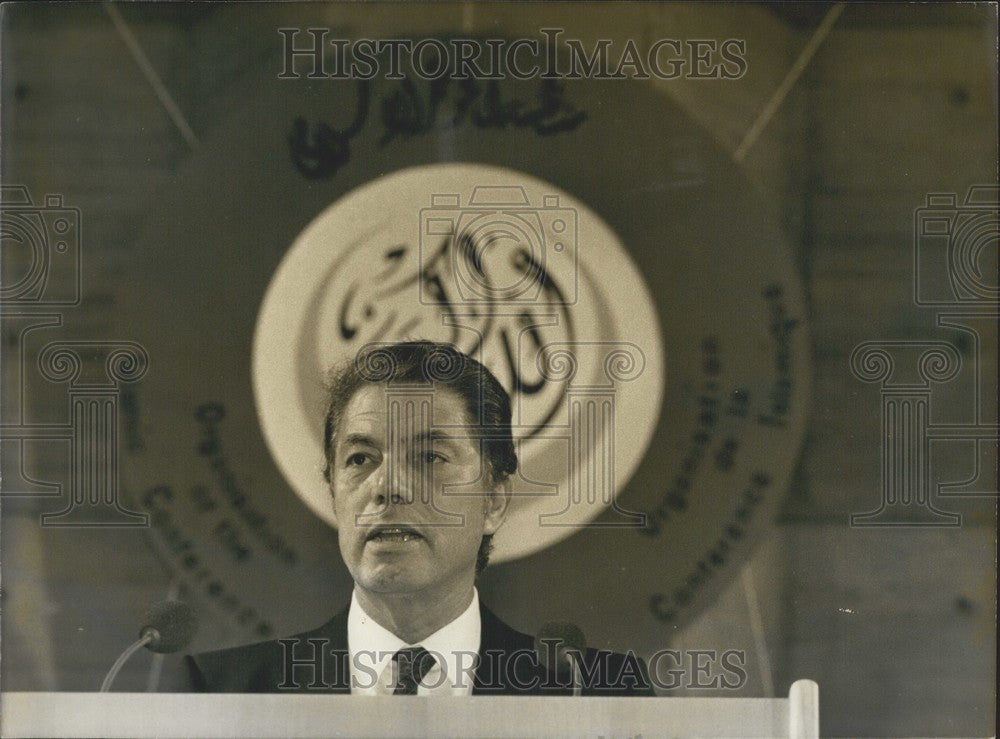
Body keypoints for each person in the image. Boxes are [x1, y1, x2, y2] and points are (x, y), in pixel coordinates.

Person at [186, 341, 652, 695]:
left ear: (493, 500)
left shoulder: (597, 691)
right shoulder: (223, 691)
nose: (387, 486)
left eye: (429, 457)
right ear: (333, 492)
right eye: (360, 459)